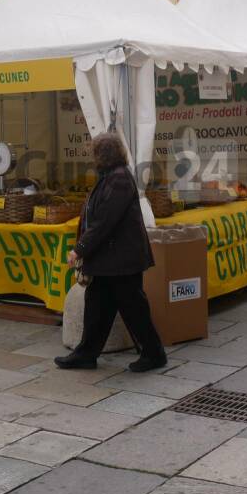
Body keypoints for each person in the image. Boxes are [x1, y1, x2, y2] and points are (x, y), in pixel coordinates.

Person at [56, 133, 166, 373]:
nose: (92, 158)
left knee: (133, 307)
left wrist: (79, 249)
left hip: (121, 260)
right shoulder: (112, 177)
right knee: (97, 306)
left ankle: (154, 353)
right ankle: (86, 354)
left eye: (94, 153)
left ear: (103, 155)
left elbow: (104, 222)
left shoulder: (118, 180)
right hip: (112, 260)